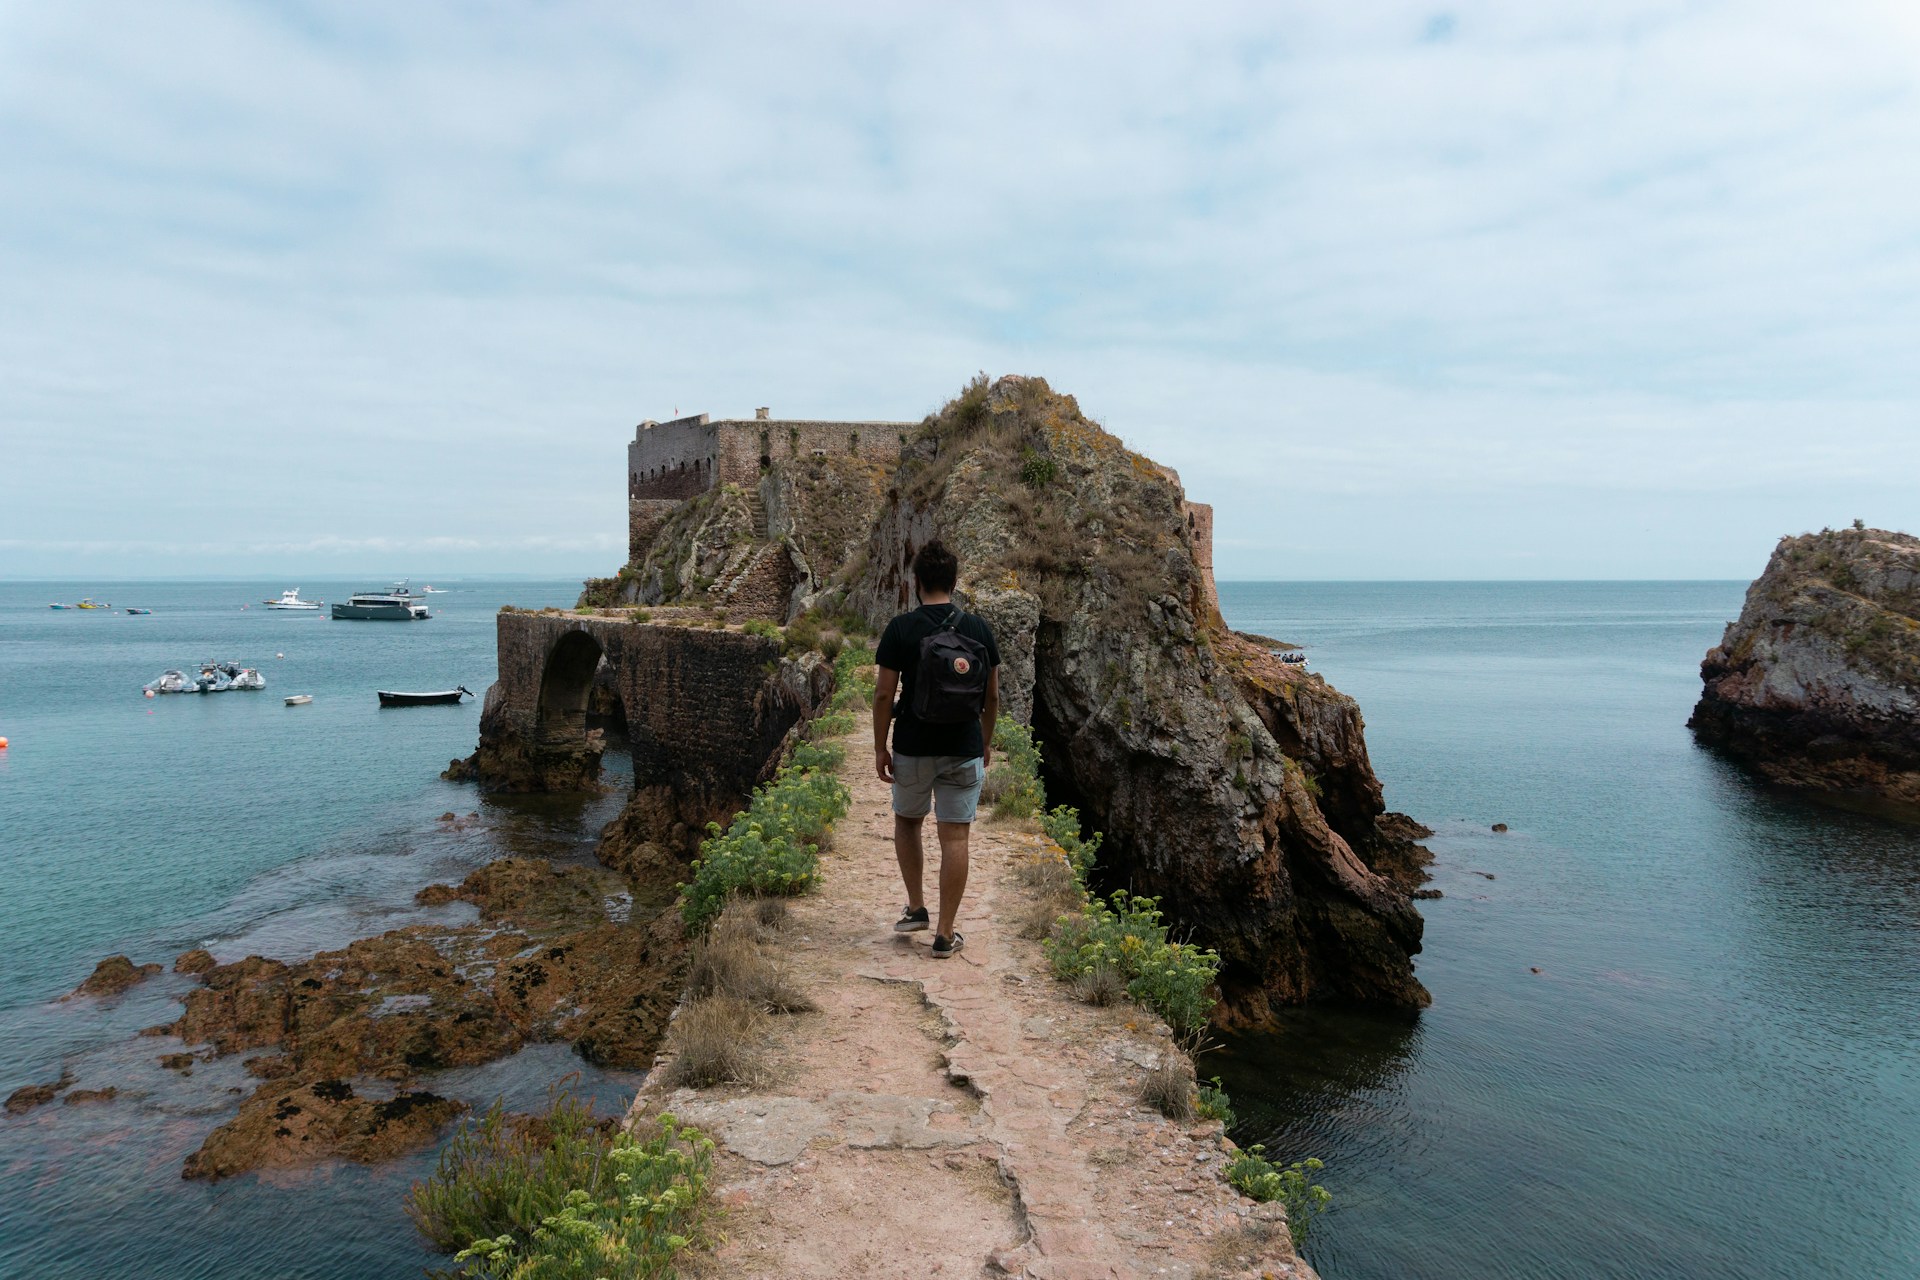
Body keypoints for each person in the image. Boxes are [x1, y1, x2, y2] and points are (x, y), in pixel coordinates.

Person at [872, 539, 1001, 959]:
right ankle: (945, 934)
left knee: (908, 823)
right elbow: (993, 697)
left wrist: (880, 748)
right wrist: (984, 742)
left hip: (912, 745)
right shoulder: (979, 629)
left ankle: (915, 908)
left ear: (916, 581)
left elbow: (882, 696)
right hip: (964, 748)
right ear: (955, 580)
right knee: (955, 836)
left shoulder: (901, 629)